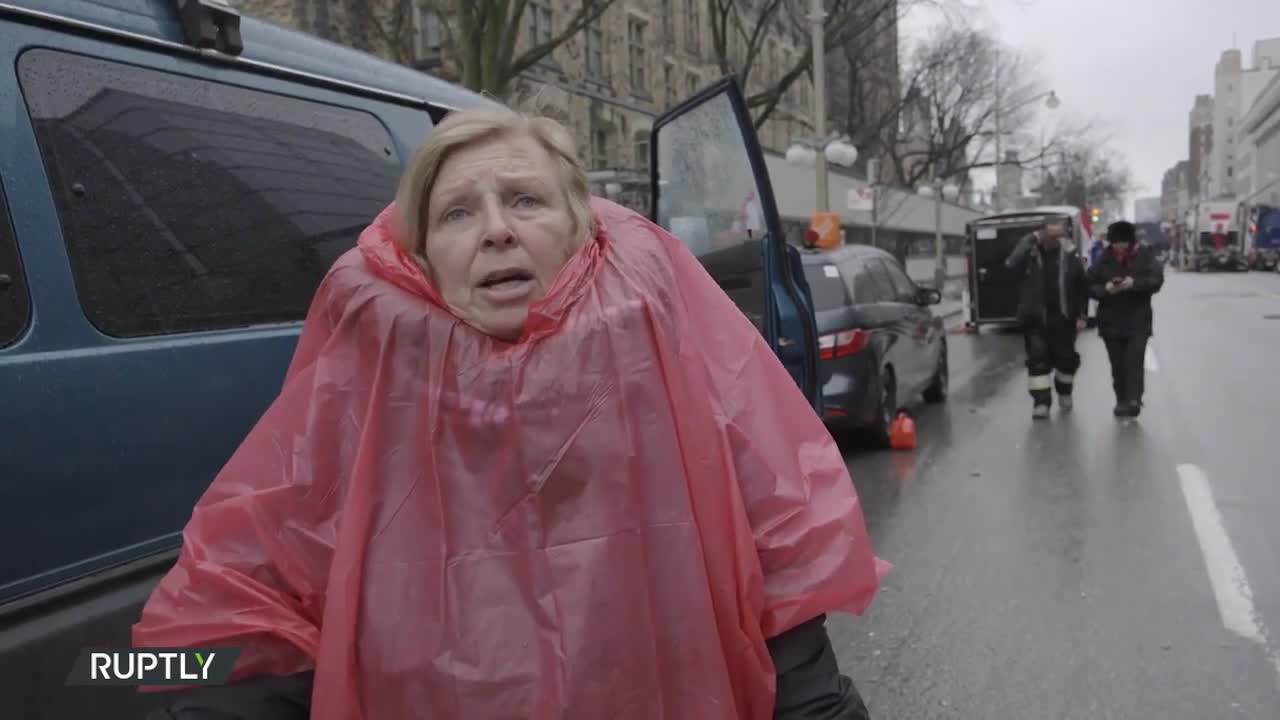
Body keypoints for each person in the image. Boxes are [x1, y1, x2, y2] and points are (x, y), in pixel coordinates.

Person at [131, 108, 884, 719]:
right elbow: (240, 601)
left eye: (524, 200)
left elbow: (782, 542)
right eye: (458, 212)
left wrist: (814, 702)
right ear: (420, 254)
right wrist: (171, 686)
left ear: (582, 232)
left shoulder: (666, 360)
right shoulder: (363, 397)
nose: (495, 228)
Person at [1005, 219, 1090, 419]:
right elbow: (1011, 264)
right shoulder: (1029, 254)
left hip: (1063, 318)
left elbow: (1081, 286)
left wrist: (1082, 315)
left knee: (1066, 361)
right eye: (1047, 233)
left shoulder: (1069, 255)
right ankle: (1041, 402)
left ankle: (1064, 391)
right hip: (1035, 319)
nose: (1052, 238)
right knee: (1037, 361)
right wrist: (1031, 238)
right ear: (1041, 233)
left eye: (1055, 234)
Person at [1087, 220, 1164, 418]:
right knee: (1118, 365)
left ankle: (1134, 400)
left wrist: (1134, 284)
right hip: (1110, 322)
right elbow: (1088, 286)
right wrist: (1105, 289)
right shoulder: (1102, 260)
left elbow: (1156, 281)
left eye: (1124, 242)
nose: (1120, 246)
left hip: (1138, 320)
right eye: (1116, 242)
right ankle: (1121, 399)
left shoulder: (1145, 256)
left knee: (1134, 362)